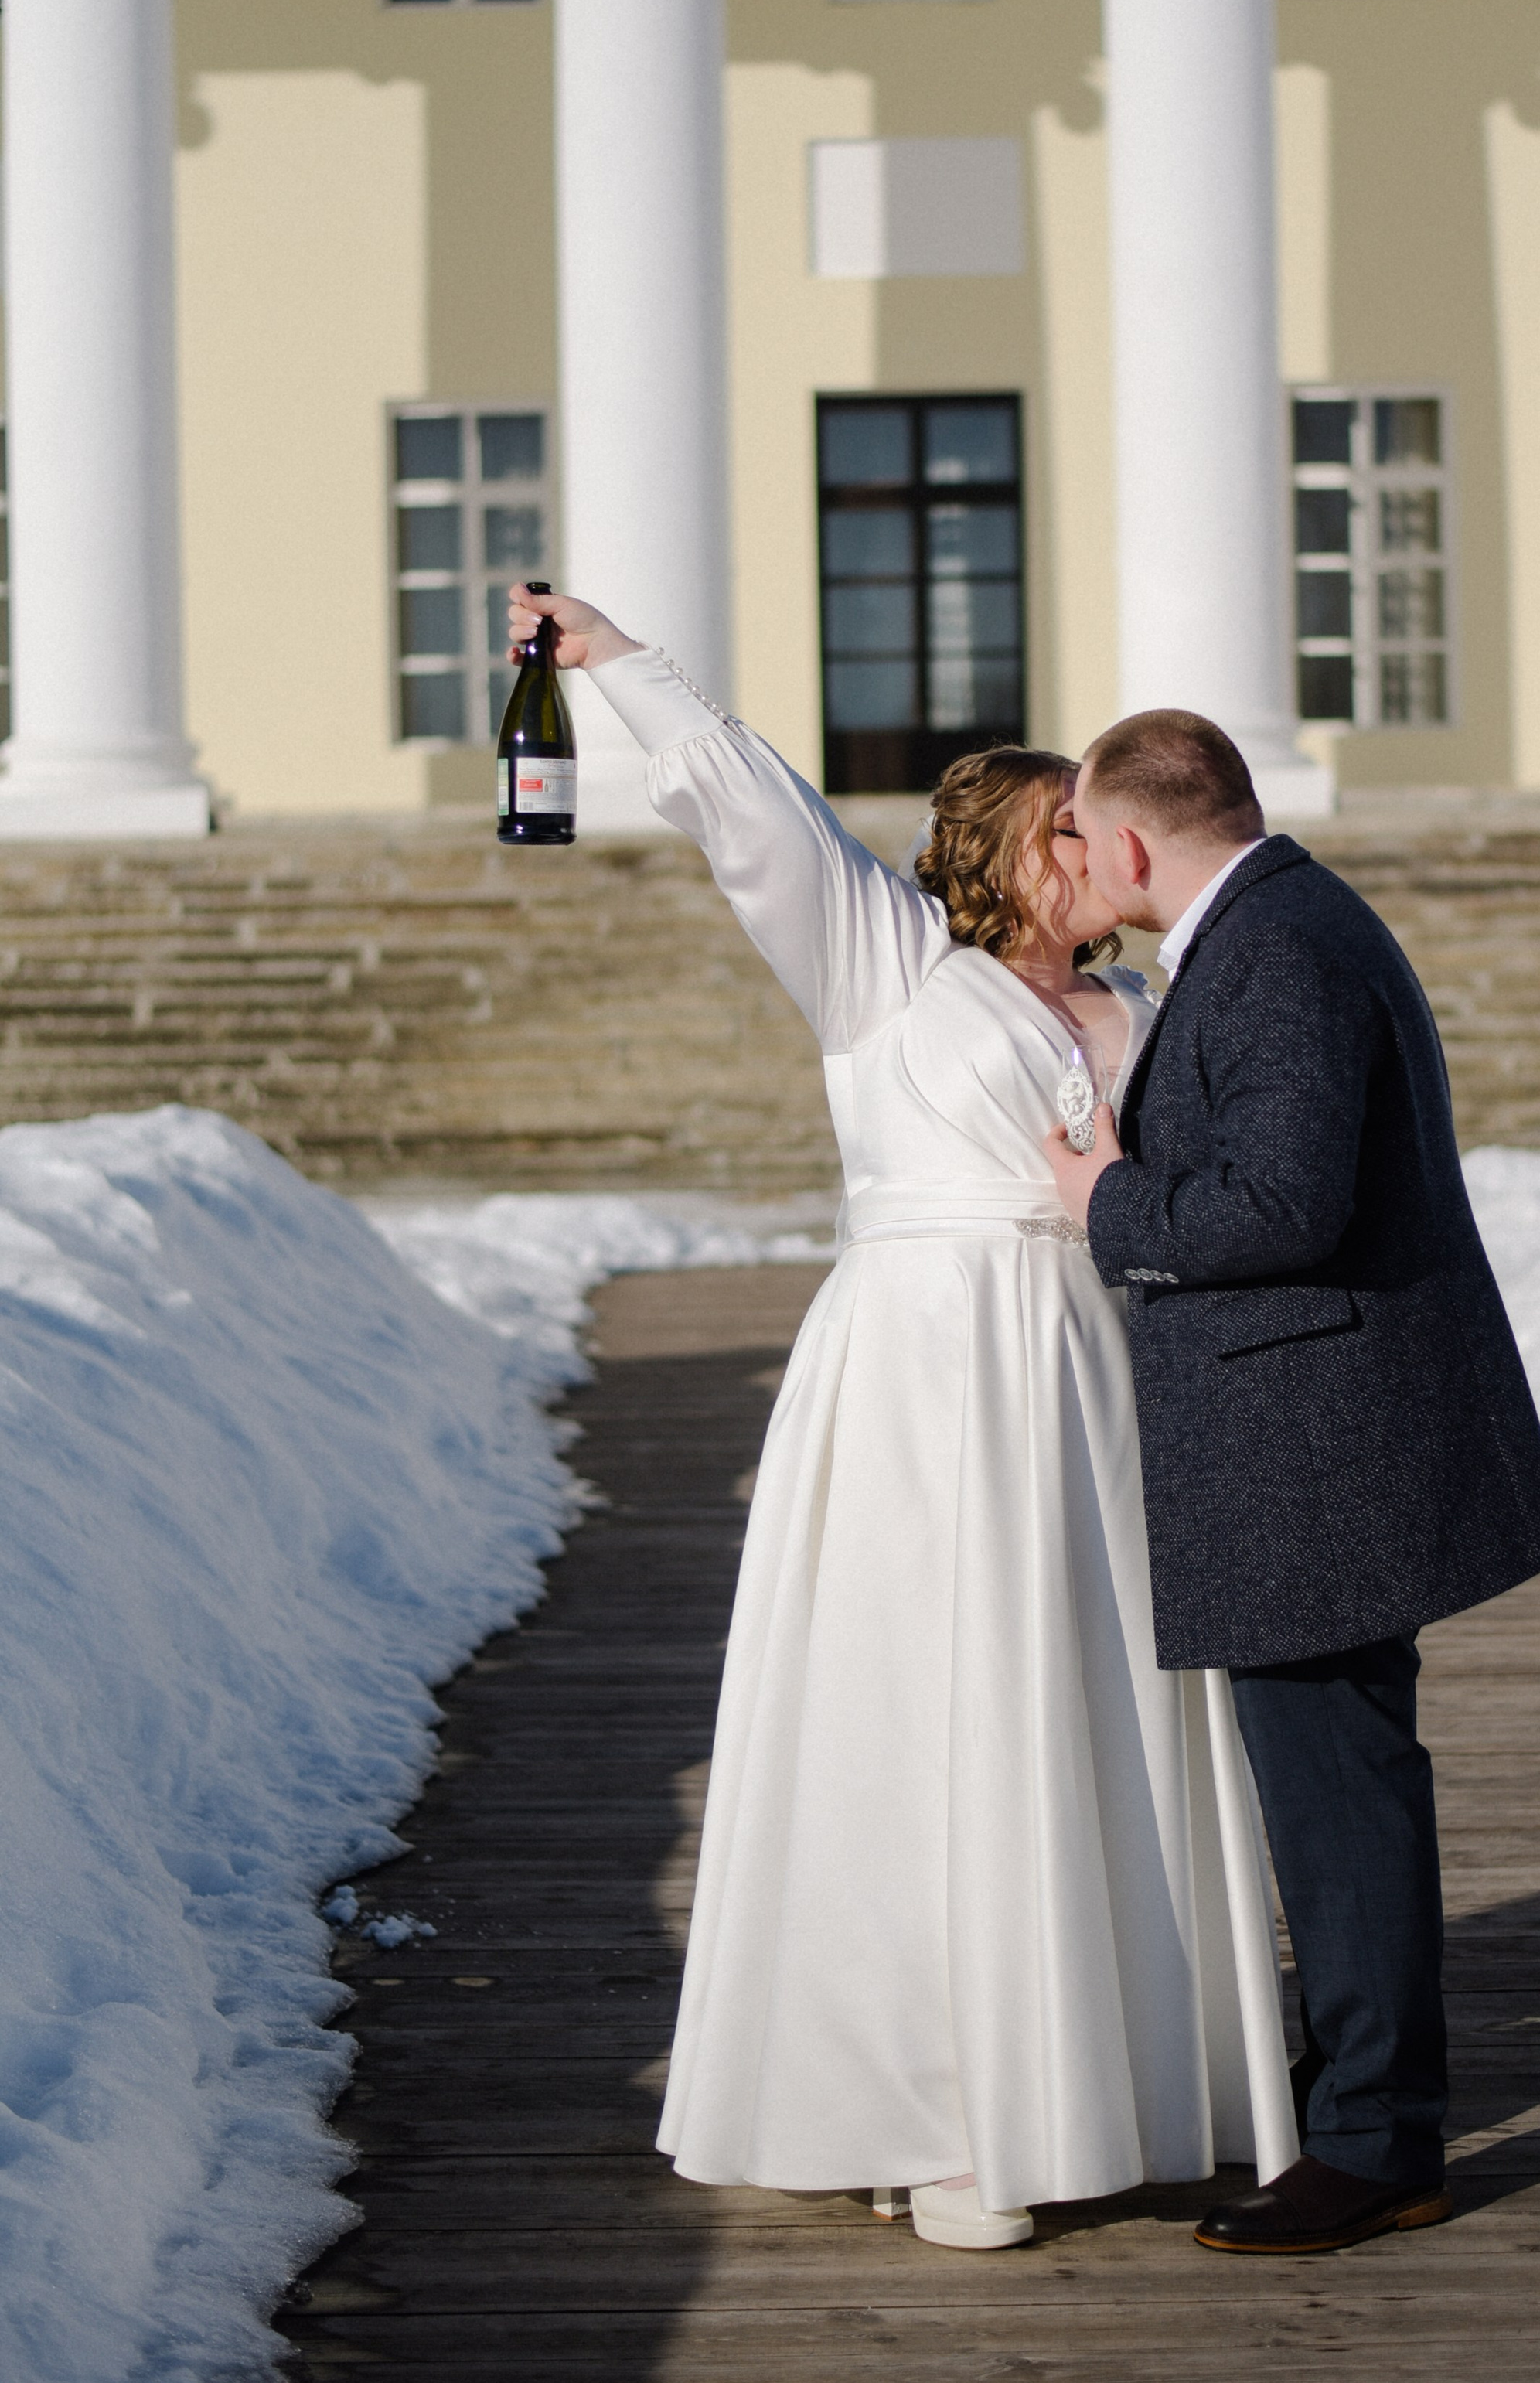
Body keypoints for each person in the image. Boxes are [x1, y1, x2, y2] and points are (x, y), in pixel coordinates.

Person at [506, 590, 1300, 2251]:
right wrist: (615, 666)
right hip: (926, 1379)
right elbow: (760, 820)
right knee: (929, 1718)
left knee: (1090, 1708)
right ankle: (934, 2110)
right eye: (1061, 826)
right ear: (996, 852)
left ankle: (1116, 2079)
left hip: (1094, 1378)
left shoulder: (1148, 1004)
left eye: (1095, 826)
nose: (1092, 848)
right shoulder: (888, 972)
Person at [1044, 707, 1540, 2256]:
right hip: (1309, 1436)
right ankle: (1348, 2091)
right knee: (1334, 1789)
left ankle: (1373, 2139)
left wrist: (1107, 1200)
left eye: (1081, 837)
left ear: (1133, 844)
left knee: (1340, 1798)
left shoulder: (1273, 947)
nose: (1077, 862)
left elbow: (1281, 1200)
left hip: (1317, 1449)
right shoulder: (1276, 921)